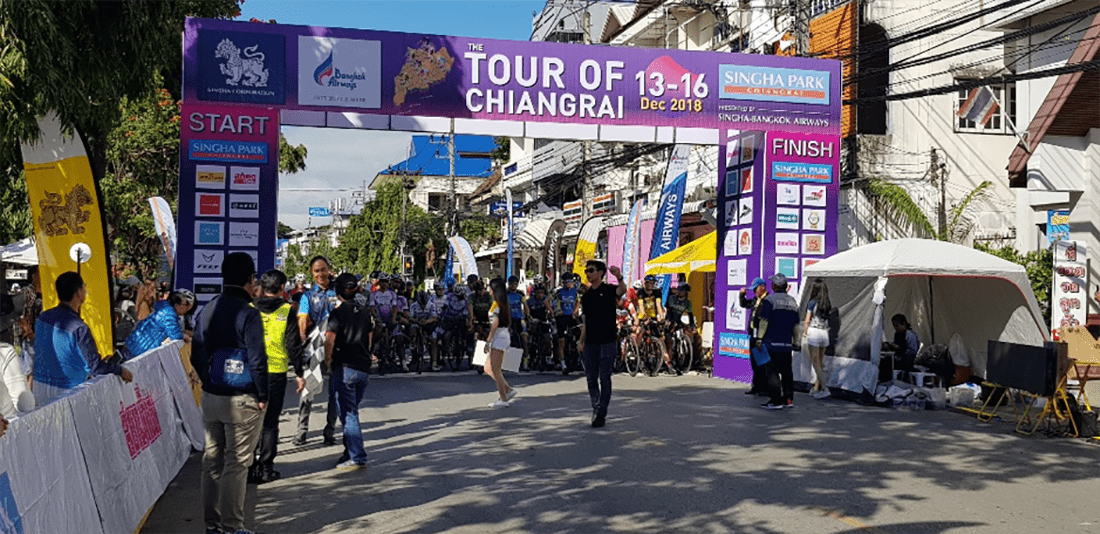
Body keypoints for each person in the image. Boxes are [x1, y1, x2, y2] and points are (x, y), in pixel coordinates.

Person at [190, 252, 268, 534]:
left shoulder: (208, 308)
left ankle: (212, 524)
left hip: (212, 397)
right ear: (250, 281)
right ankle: (233, 527)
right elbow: (258, 360)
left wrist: (209, 380)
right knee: (237, 463)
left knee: (212, 460)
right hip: (243, 398)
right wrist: (263, 395)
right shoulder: (249, 313)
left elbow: (196, 352)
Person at [32, 272, 133, 405]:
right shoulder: (78, 328)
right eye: (84, 287)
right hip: (66, 390)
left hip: (38, 386)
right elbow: (95, 367)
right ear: (79, 293)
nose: (85, 290)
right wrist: (120, 370)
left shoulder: (42, 318)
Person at [249, 270, 304, 484]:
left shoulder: (250, 308)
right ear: (282, 289)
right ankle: (266, 468)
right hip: (276, 373)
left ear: (261, 288)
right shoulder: (286, 310)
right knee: (270, 422)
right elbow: (293, 345)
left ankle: (249, 467)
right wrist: (300, 372)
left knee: (252, 422)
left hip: (252, 373)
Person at [325, 273, 374, 469]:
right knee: (351, 410)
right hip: (363, 367)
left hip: (344, 367)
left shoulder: (337, 313)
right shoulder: (365, 312)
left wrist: (328, 360)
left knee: (349, 413)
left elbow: (330, 338)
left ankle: (357, 455)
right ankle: (349, 450)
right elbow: (369, 338)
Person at [295, 256, 339, 447]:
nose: (321, 274)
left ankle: (329, 431)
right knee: (307, 390)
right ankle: (301, 431)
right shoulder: (307, 296)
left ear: (330, 269)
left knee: (335, 392)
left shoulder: (338, 292)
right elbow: (302, 319)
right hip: (313, 347)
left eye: (323, 269)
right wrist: (303, 338)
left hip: (336, 346)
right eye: (316, 271)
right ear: (312, 274)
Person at [578, 260, 627, 428]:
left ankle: (602, 410)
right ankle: (596, 407)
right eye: (586, 271)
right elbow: (585, 321)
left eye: (591, 270)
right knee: (591, 378)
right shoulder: (586, 296)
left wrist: (619, 276)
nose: (588, 274)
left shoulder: (608, 290)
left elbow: (622, 290)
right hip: (591, 342)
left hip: (607, 341)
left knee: (604, 378)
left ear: (600, 272)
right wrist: (581, 340)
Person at [757, 274, 801, 410]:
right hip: (787, 344)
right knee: (787, 372)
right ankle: (788, 399)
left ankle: (775, 400)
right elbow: (796, 325)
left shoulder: (770, 300)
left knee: (772, 372)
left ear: (775, 286)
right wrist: (796, 341)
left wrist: (759, 338)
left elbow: (764, 321)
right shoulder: (793, 301)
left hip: (771, 343)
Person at [124, 289, 196, 358]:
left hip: (133, 346)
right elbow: (176, 337)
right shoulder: (169, 315)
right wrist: (190, 339)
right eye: (186, 305)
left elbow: (175, 330)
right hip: (138, 351)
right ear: (176, 305)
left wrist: (191, 334)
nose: (188, 309)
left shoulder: (164, 309)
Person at [483, 278, 516, 408]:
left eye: (490, 287)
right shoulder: (499, 303)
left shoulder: (498, 304)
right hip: (501, 335)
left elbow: (495, 323)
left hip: (499, 336)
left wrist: (488, 341)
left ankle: (503, 399)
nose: (488, 290)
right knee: (488, 368)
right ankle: (507, 390)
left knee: (496, 370)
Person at [629, 274, 671, 371]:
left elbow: (658, 305)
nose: (650, 285)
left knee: (660, 340)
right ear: (645, 283)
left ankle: (668, 364)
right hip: (643, 316)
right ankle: (635, 353)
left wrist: (661, 317)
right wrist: (644, 317)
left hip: (652, 317)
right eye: (648, 283)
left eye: (652, 283)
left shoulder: (657, 292)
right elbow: (641, 305)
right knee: (640, 332)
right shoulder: (641, 292)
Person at [802, 278, 832, 399]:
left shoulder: (812, 302)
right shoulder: (827, 303)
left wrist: (805, 332)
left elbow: (807, 320)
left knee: (816, 363)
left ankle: (824, 388)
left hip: (814, 332)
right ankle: (816, 387)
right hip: (825, 333)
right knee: (820, 362)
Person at [739, 277, 769, 396]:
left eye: (756, 289)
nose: (755, 292)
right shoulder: (755, 300)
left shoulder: (767, 300)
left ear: (762, 288)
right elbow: (744, 304)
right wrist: (742, 295)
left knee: (762, 363)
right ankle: (756, 386)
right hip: (753, 334)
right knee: (754, 363)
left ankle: (764, 388)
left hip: (761, 336)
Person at [15, 265, 41, 386]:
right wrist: (27, 330)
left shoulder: (43, 294)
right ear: (34, 277)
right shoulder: (27, 292)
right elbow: (17, 312)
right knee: (29, 369)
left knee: (32, 369)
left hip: (35, 335)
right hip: (27, 336)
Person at [552, 273, 579, 373]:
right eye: (567, 282)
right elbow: (547, 301)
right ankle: (562, 362)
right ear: (563, 283)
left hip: (571, 316)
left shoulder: (575, 291)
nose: (570, 284)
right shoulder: (559, 292)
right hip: (561, 317)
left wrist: (576, 310)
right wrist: (552, 311)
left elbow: (578, 300)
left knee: (579, 333)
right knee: (561, 340)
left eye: (571, 281)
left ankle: (578, 356)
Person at [408, 290, 441, 371]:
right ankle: (413, 343)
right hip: (417, 322)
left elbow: (434, 318)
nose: (423, 306)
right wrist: (416, 321)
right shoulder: (413, 306)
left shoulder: (431, 305)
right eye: (421, 304)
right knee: (413, 329)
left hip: (428, 323)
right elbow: (410, 317)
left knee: (433, 341)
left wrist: (426, 322)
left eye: (424, 304)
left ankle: (434, 364)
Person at [883, 314, 920, 379]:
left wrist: (899, 348)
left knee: (886, 363)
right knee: (884, 360)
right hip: (898, 358)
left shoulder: (910, 335)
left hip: (907, 361)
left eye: (897, 326)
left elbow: (912, 352)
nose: (895, 328)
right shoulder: (897, 334)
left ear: (903, 324)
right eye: (894, 326)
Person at [506, 275, 530, 365]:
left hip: (520, 318)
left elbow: (525, 305)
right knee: (507, 338)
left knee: (524, 338)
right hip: (509, 319)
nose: (513, 286)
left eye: (515, 284)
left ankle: (525, 360)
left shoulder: (520, 294)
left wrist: (527, 315)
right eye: (511, 284)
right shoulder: (505, 294)